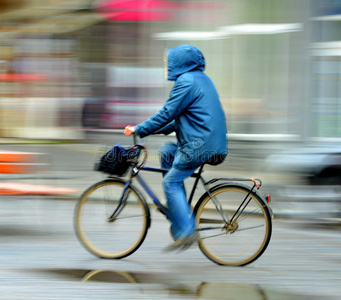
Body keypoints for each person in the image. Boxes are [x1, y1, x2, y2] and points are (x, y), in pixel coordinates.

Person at [124, 45, 227, 251]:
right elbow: (177, 121)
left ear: (179, 63)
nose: (166, 67)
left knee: (171, 181)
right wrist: (149, 131)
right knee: (167, 151)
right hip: (209, 142)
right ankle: (178, 208)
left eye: (168, 62)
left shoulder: (186, 81)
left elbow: (166, 113)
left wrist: (139, 129)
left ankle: (187, 231)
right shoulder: (201, 79)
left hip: (199, 145)